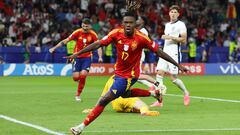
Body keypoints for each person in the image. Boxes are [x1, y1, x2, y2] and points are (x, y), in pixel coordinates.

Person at [67, 11, 188, 135]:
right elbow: (98, 44)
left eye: (131, 22)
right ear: (122, 23)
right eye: (126, 22)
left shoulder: (142, 38)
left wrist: (178, 65)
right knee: (125, 94)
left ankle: (80, 127)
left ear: (135, 23)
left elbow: (159, 52)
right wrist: (78, 53)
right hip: (119, 73)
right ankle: (153, 93)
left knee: (103, 100)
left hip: (129, 76)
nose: (128, 25)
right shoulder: (116, 33)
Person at [49, 18, 103, 101]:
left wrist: (100, 57)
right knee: (75, 77)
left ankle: (78, 95)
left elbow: (98, 46)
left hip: (87, 57)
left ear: (90, 26)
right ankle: (80, 81)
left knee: (83, 75)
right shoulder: (77, 32)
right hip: (77, 57)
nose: (85, 28)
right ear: (81, 25)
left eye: (87, 26)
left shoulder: (93, 34)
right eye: (83, 26)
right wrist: (54, 48)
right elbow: (66, 41)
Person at [152, 5, 190, 107]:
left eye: (175, 12)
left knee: (173, 78)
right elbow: (166, 39)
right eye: (171, 12)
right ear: (169, 13)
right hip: (164, 52)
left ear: (178, 14)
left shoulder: (181, 24)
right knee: (159, 74)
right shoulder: (167, 25)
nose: (173, 14)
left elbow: (183, 39)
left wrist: (170, 37)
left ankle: (186, 93)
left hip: (174, 53)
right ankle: (160, 101)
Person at [82, 76, 160, 116]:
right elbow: (145, 77)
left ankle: (136, 109)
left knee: (130, 107)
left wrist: (93, 109)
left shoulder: (111, 78)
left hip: (116, 105)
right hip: (126, 98)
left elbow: (103, 96)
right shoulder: (129, 74)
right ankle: (144, 111)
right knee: (143, 106)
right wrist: (156, 82)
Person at [136, 15, 167, 94]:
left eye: (139, 19)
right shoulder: (139, 30)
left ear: (142, 22)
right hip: (136, 55)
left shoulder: (143, 31)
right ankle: (154, 85)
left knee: (137, 76)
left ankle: (157, 85)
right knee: (135, 76)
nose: (137, 20)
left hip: (138, 55)